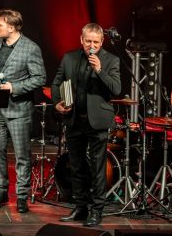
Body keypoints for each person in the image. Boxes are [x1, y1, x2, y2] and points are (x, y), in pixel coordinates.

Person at [52, 23, 121, 227]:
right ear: (81, 40)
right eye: (88, 41)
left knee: (97, 167)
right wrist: (57, 102)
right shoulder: (69, 58)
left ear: (102, 42)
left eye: (96, 42)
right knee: (77, 166)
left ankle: (97, 210)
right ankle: (80, 207)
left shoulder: (111, 60)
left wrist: (99, 70)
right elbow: (57, 83)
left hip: (97, 122)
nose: (92, 46)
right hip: (74, 119)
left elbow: (116, 89)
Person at [0, 9, 47, 214]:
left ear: (11, 27)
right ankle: (1, 192)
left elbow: (40, 78)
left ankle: (21, 196)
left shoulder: (31, 48)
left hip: (18, 110)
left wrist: (15, 87)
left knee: (21, 155)